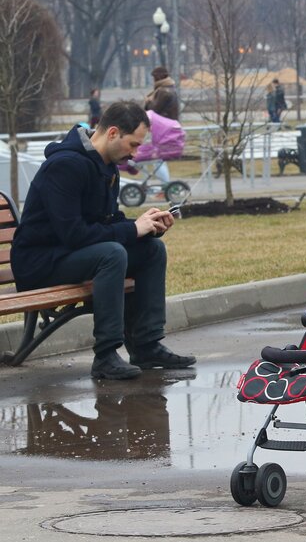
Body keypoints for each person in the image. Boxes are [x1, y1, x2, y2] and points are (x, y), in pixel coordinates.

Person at [10, 101, 196, 380]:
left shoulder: (107, 166)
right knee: (112, 253)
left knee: (152, 250)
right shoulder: (64, 166)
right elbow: (74, 235)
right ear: (112, 133)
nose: (134, 154)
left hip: (69, 254)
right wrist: (132, 230)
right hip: (39, 263)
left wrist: (147, 226)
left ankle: (146, 345)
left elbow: (106, 221)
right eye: (133, 144)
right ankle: (106, 355)